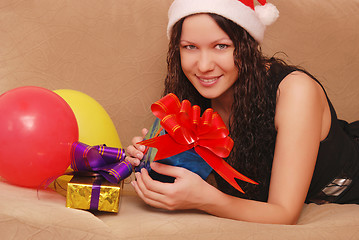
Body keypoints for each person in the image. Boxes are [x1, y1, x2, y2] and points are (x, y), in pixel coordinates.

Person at [125, 0, 359, 224]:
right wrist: (152, 159)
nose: (204, 65)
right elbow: (197, 176)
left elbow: (284, 214)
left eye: (221, 46)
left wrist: (205, 199)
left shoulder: (295, 91)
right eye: (190, 47)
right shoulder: (195, 97)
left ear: (247, 46)